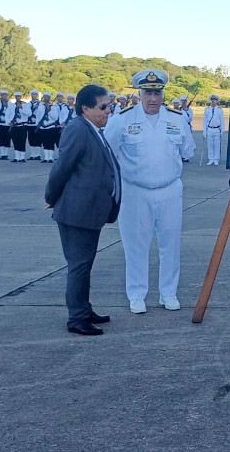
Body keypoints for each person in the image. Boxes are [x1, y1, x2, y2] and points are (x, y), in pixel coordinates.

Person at [104, 69, 196, 314]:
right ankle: (136, 294)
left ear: (163, 93)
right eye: (148, 93)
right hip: (135, 191)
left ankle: (168, 293)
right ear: (139, 93)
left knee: (170, 244)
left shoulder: (176, 120)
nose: (153, 98)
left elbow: (188, 151)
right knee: (135, 245)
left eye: (157, 92)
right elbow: (108, 154)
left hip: (169, 190)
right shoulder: (122, 119)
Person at [45, 84, 121, 336]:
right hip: (77, 212)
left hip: (89, 211)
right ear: (85, 108)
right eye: (103, 106)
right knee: (79, 265)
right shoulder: (78, 129)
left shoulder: (93, 128)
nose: (108, 110)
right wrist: (51, 196)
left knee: (84, 264)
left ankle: (84, 309)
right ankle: (77, 318)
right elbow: (62, 167)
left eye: (109, 105)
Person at [8, 91, 31, 162]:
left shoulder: (25, 104)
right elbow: (8, 114)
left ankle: (22, 156)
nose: (18, 97)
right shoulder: (12, 105)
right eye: (16, 96)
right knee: (15, 141)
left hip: (22, 126)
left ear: (21, 97)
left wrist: (22, 108)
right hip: (14, 126)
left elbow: (29, 113)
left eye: (19, 96)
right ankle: (17, 156)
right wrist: (10, 122)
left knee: (22, 141)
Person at [37, 92, 60, 163]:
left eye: (47, 97)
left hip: (50, 127)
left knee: (50, 142)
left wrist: (50, 111)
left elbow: (55, 117)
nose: (46, 98)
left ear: (49, 98)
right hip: (43, 127)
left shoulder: (54, 107)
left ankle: (50, 157)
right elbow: (38, 116)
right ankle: (46, 157)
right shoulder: (41, 106)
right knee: (45, 143)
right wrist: (38, 124)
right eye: (45, 97)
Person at [203, 94, 225, 166]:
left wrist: (222, 129)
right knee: (210, 145)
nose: (213, 101)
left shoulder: (220, 110)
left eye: (214, 100)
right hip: (209, 129)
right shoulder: (207, 110)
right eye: (212, 100)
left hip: (216, 129)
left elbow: (222, 120)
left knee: (217, 145)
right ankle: (211, 159)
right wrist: (204, 131)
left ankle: (216, 159)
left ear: (216, 101)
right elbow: (205, 121)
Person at [26, 89, 43, 161]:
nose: (33, 96)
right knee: (31, 139)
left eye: (35, 94)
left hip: (37, 124)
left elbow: (42, 112)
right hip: (30, 124)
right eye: (32, 94)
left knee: (38, 139)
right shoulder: (28, 104)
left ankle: (38, 155)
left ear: (37, 95)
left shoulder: (40, 104)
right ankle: (32, 154)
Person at [0, 89, 10, 160]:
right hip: (0, 124)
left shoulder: (10, 104)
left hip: (7, 124)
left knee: (7, 139)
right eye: (2, 95)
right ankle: (2, 154)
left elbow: (12, 113)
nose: (3, 96)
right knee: (1, 139)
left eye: (5, 95)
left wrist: (7, 106)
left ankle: (6, 154)